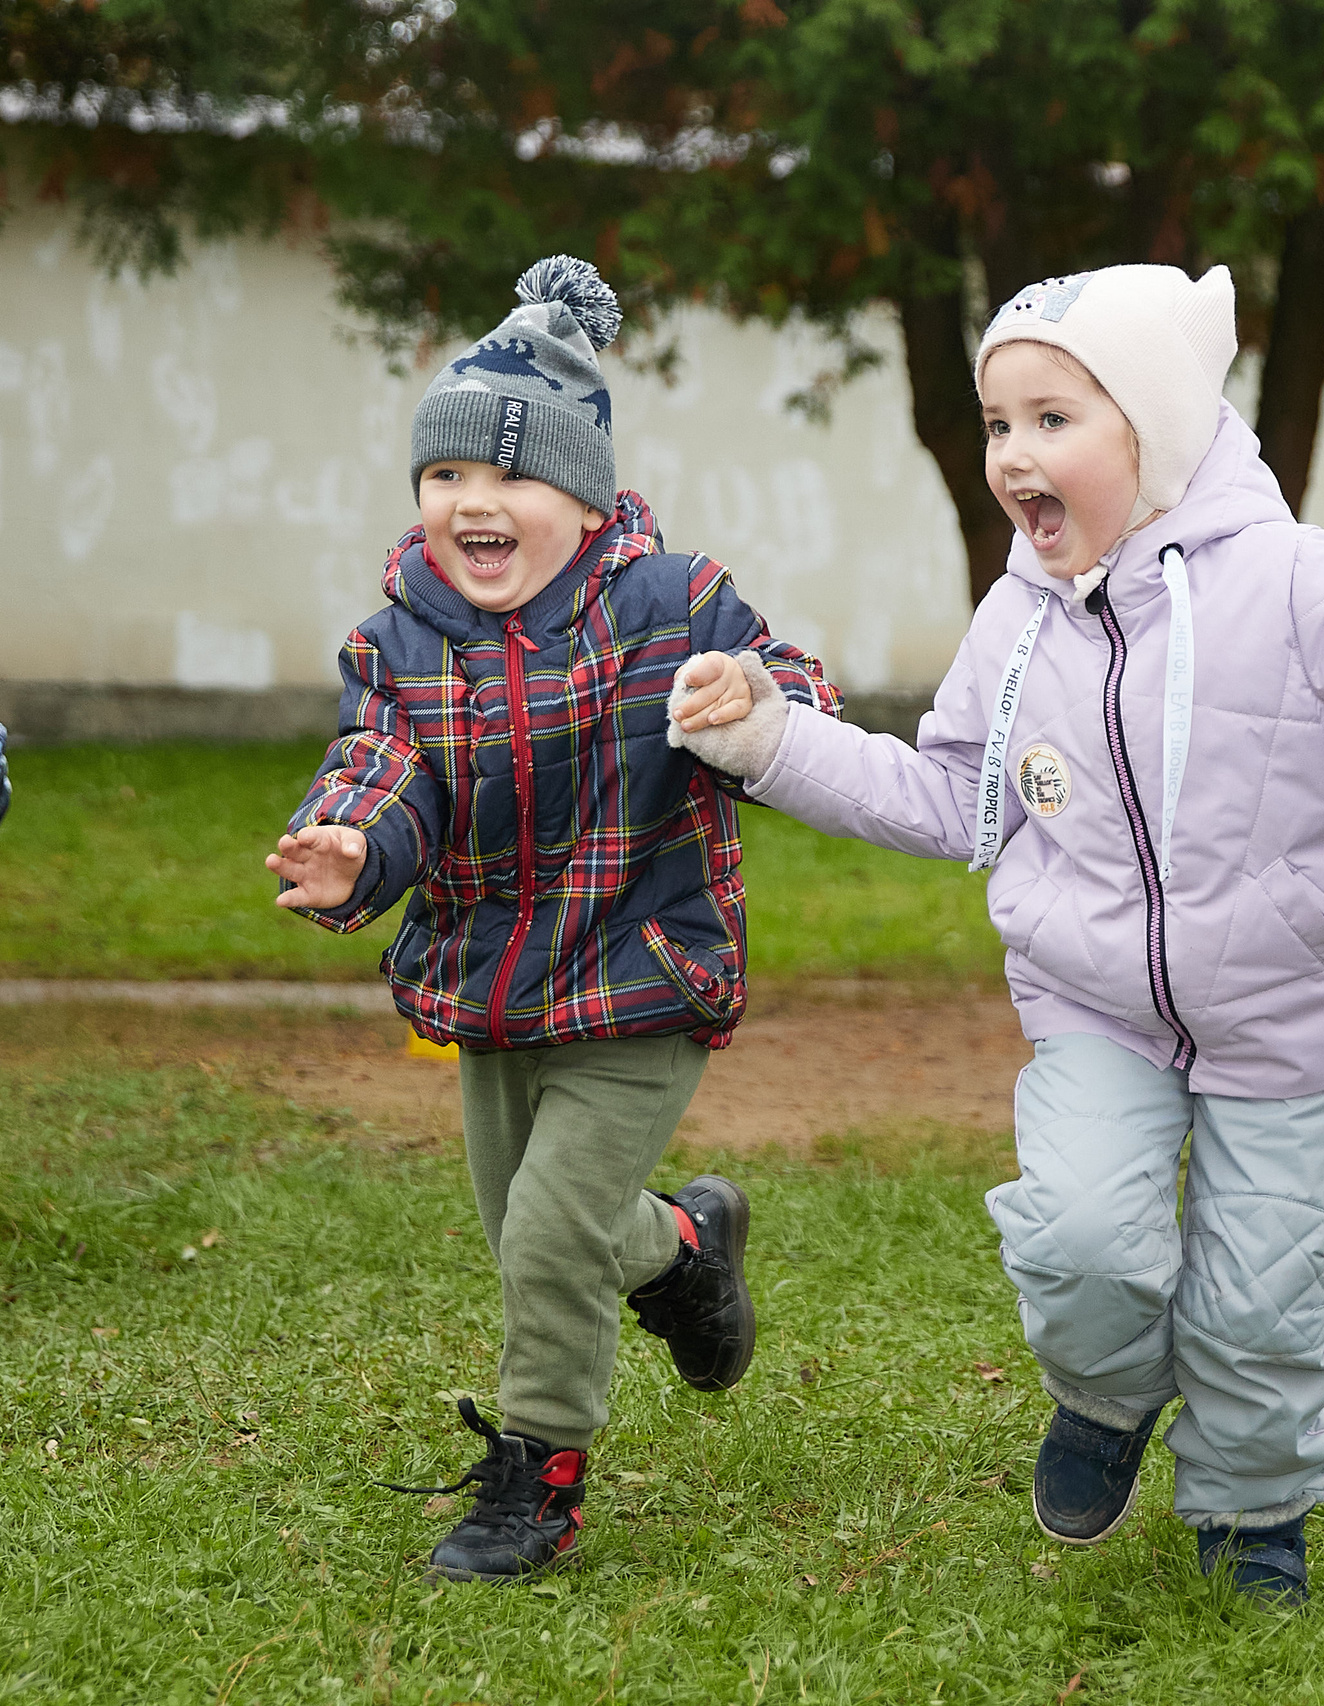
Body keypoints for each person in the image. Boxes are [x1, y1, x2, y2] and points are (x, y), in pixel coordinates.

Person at [667, 263, 1324, 1606]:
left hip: (1292, 1004)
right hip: (1095, 1001)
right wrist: (768, 742)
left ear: (1161, 431)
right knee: (1081, 1240)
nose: (1016, 454)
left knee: (1263, 1294)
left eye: (1054, 420)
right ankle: (1108, 1388)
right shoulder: (1017, 622)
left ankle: (1254, 1511)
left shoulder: (1292, 577)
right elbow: (946, 790)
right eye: (999, 424)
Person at [265, 258, 838, 1583]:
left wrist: (748, 703)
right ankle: (686, 1249)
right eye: (447, 476)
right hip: (493, 987)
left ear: (583, 497)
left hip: (642, 974)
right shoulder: (403, 636)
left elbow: (796, 689)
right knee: (538, 1223)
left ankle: (540, 1477)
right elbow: (383, 762)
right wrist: (356, 840)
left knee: (546, 1231)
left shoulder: (673, 601)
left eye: (512, 479)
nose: (476, 503)